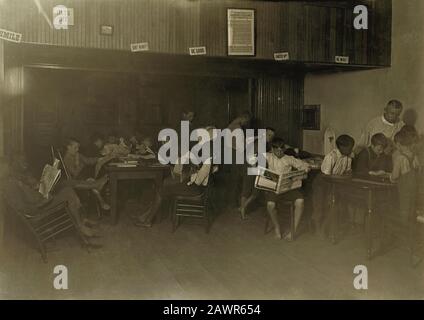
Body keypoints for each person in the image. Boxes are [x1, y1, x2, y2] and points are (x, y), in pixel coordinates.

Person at [0, 156, 102, 246]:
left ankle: (81, 224)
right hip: (40, 208)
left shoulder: (11, 180)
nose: (8, 168)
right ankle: (81, 227)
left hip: (41, 198)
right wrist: (43, 201)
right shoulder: (9, 186)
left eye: (7, 165)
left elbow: (27, 194)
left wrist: (36, 188)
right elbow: (22, 208)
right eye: (5, 166)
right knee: (67, 192)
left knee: (66, 189)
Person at [135, 127, 217, 227]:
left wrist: (191, 175)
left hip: (195, 188)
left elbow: (199, 180)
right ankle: (146, 216)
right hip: (194, 185)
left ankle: (147, 220)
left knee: (161, 189)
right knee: (163, 186)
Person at [262, 137, 310, 240]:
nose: (279, 151)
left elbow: (305, 166)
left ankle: (293, 231)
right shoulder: (268, 156)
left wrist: (300, 174)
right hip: (274, 189)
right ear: (272, 149)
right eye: (276, 149)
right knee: (270, 205)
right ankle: (277, 229)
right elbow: (252, 158)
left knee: (300, 201)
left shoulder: (289, 158)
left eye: (281, 149)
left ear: (284, 148)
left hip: (288, 189)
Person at [310, 135, 355, 235]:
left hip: (334, 183)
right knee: (319, 205)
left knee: (332, 205)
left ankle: (325, 226)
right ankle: (318, 228)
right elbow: (326, 176)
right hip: (321, 183)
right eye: (350, 147)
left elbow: (349, 172)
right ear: (341, 147)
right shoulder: (331, 156)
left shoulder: (348, 157)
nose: (352, 149)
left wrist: (346, 175)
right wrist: (343, 178)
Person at [62, 138, 110, 210]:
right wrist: (79, 164)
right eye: (75, 147)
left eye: (78, 147)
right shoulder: (66, 159)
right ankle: (102, 200)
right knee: (91, 181)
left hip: (83, 177)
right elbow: (75, 173)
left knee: (90, 180)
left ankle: (101, 200)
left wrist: (98, 159)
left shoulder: (77, 154)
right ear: (68, 147)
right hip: (75, 180)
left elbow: (88, 160)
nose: (77, 149)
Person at [239, 127, 275, 219]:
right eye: (268, 135)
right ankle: (243, 209)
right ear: (264, 133)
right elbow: (251, 155)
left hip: (251, 167)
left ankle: (243, 208)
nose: (270, 137)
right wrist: (255, 169)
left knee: (250, 191)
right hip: (251, 167)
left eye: (271, 136)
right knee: (252, 191)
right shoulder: (260, 142)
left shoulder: (264, 142)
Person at [390, 130, 421, 224]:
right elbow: (418, 170)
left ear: (398, 144)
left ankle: (404, 226)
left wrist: (390, 177)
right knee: (412, 206)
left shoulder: (399, 158)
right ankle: (410, 227)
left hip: (403, 187)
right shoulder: (414, 156)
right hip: (414, 185)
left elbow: (395, 176)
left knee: (403, 206)